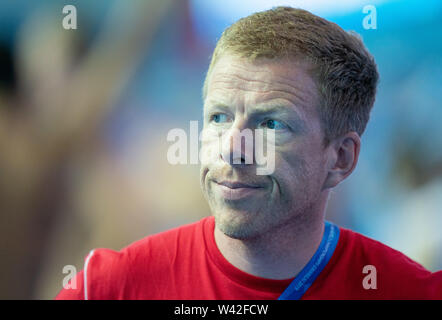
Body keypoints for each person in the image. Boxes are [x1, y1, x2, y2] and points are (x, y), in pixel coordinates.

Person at [55, 7, 442, 300]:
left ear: (340, 159)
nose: (233, 150)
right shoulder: (107, 288)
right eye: (219, 118)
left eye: (272, 125)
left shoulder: (410, 291)